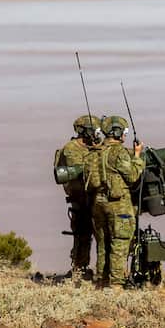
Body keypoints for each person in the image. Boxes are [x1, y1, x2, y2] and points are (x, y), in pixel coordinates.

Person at [88, 115, 145, 288]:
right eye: (124, 132)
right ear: (117, 132)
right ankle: (116, 286)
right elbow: (133, 175)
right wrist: (137, 156)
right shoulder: (119, 153)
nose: (125, 136)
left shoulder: (94, 152)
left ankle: (101, 282)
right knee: (120, 242)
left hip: (98, 202)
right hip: (117, 204)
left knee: (103, 244)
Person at [55, 115, 102, 282]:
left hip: (96, 199)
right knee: (82, 235)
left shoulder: (96, 147)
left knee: (102, 236)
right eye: (94, 130)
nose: (97, 133)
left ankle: (103, 271)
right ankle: (79, 270)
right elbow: (82, 171)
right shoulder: (71, 149)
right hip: (81, 199)